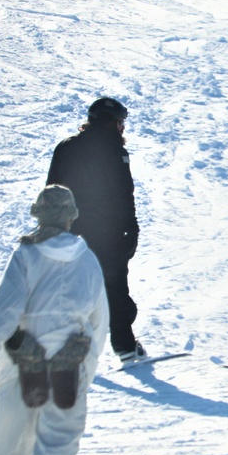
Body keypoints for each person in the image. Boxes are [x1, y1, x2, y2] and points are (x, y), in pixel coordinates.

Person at [0, 185, 109, 455]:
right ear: (71, 217)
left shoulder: (26, 255)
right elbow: (99, 318)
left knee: (13, 427)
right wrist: (89, 364)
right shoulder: (87, 259)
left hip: (25, 359)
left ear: (39, 216)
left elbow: (8, 302)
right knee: (60, 432)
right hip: (70, 361)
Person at [46, 97, 145, 363]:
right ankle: (124, 346)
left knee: (73, 287)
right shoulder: (114, 150)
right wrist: (131, 228)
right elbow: (124, 193)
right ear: (110, 122)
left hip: (70, 232)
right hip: (107, 232)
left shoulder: (66, 147)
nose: (123, 128)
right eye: (121, 122)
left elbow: (52, 189)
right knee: (114, 286)